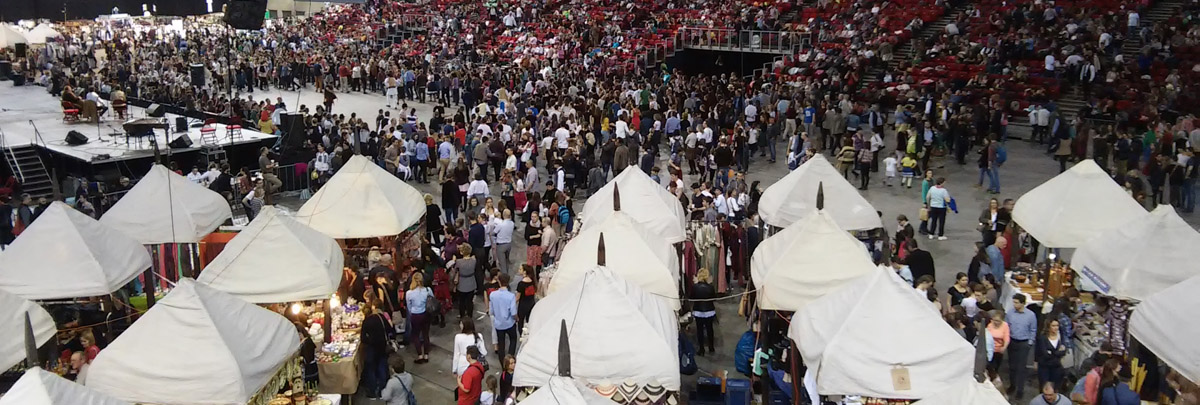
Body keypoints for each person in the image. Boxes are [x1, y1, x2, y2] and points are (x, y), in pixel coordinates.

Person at [1007, 294, 1038, 399]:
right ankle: (1012, 385)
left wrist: (1030, 342)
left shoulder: (1031, 315)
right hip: (1012, 341)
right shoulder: (1010, 313)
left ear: (1023, 303)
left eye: (1016, 302)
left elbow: (1033, 329)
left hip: (1023, 343)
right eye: (1013, 302)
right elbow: (1007, 326)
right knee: (1012, 366)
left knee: (1021, 367)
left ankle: (1020, 389)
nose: (1014, 304)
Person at [361, 302, 393, 399]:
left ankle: (372, 392)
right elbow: (389, 329)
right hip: (382, 346)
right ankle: (382, 391)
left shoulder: (366, 321)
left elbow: (363, 338)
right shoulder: (381, 318)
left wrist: (370, 341)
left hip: (371, 348)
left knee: (370, 369)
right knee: (382, 367)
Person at [405, 273, 433, 364]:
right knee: (425, 334)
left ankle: (420, 355)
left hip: (415, 315)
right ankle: (426, 355)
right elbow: (432, 300)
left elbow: (409, 306)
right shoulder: (428, 290)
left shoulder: (409, 293)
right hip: (426, 314)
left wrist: (412, 313)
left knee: (416, 335)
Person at [489, 273, 518, 360]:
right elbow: (513, 312)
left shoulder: (493, 295)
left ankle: (503, 363)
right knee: (513, 339)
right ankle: (510, 358)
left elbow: (491, 311)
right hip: (509, 323)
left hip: (498, 324)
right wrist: (516, 319)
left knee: (501, 344)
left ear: (499, 281)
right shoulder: (511, 296)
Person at [1036, 318, 1069, 389]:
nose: (1056, 328)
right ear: (1048, 327)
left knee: (1055, 388)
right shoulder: (1042, 338)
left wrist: (1052, 352)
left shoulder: (1060, 337)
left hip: (1056, 367)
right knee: (1044, 387)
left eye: (1057, 325)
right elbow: (1045, 354)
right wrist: (1058, 352)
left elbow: (1063, 351)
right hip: (1044, 367)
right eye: (1053, 326)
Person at [691, 268, 717, 356]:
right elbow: (714, 298)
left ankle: (701, 349)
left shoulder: (695, 287)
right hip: (709, 311)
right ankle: (711, 347)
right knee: (710, 329)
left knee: (700, 330)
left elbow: (691, 297)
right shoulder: (710, 287)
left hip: (698, 311)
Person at [451, 245, 478, 319]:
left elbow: (454, 270)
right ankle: (470, 317)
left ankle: (462, 317)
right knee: (470, 302)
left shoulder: (458, 262)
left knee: (461, 302)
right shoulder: (474, 260)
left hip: (461, 283)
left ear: (462, 252)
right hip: (471, 282)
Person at [514, 265, 537, 333]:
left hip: (523, 305)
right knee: (529, 320)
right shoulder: (533, 281)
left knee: (520, 321)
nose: (519, 270)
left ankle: (522, 334)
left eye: (520, 269)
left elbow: (517, 297)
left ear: (525, 272)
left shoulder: (521, 284)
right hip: (531, 303)